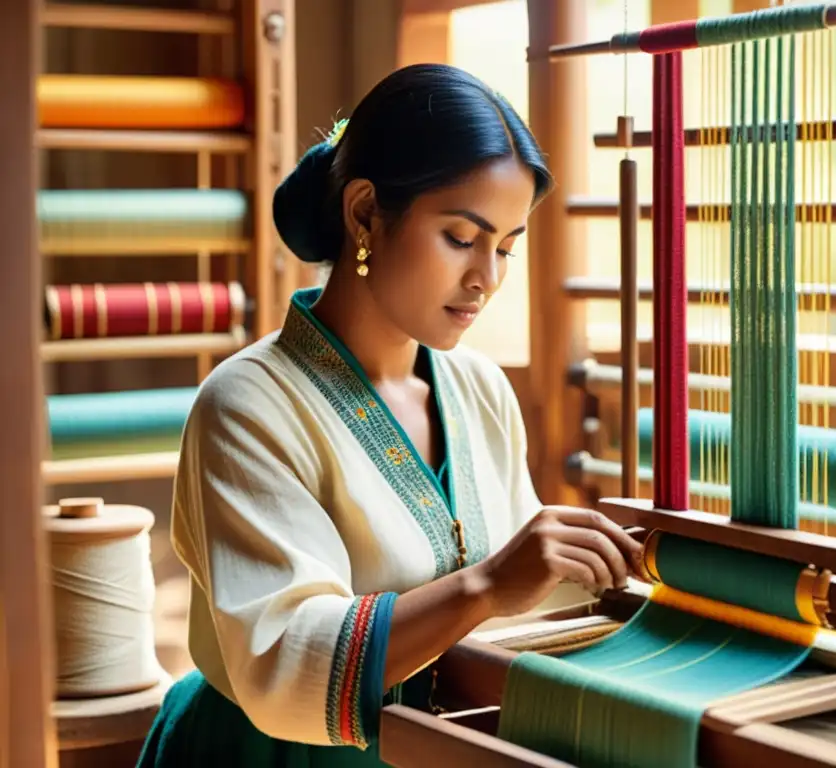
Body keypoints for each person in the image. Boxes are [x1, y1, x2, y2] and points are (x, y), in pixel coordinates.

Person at [136, 63, 642, 767]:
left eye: (505, 247)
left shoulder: (480, 390)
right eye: (461, 237)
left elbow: (522, 602)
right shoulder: (246, 405)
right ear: (365, 212)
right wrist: (488, 584)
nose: (486, 279)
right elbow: (284, 656)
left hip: (442, 746)